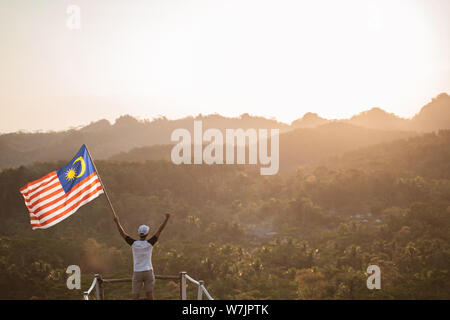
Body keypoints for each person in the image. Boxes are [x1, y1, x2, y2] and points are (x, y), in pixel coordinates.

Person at [113, 213, 171, 300]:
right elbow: (160, 230)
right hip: (148, 271)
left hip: (137, 272)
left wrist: (117, 222)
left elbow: (123, 233)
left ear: (139, 233)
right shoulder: (150, 243)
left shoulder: (133, 244)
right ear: (147, 234)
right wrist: (166, 219)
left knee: (135, 296)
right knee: (149, 295)